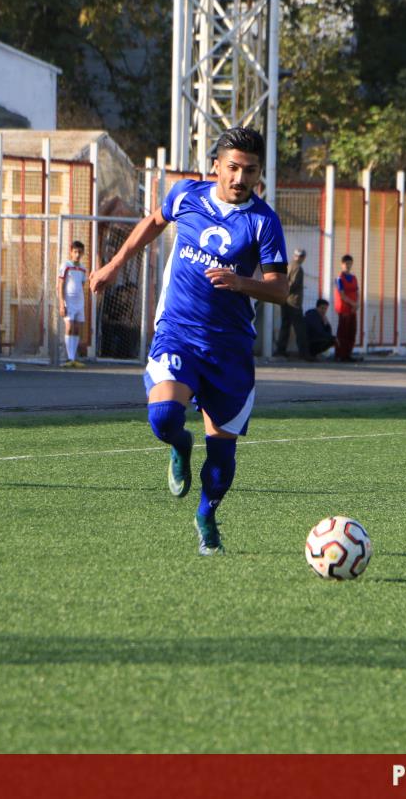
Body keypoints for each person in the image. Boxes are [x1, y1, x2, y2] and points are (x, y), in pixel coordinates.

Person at [89, 127, 288, 556]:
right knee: (163, 417)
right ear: (216, 165)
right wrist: (114, 265)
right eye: (233, 167)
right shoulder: (186, 195)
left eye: (250, 171)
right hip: (177, 332)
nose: (240, 178)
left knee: (222, 457)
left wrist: (241, 282)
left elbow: (279, 289)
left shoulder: (263, 222)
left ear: (259, 174)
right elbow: (153, 222)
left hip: (230, 349)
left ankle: (206, 516)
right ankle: (181, 445)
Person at [275, 248, 310, 359]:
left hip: (284, 300)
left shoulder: (289, 265)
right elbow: (293, 284)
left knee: (285, 326)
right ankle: (304, 353)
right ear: (303, 257)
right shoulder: (298, 268)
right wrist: (285, 291)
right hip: (293, 302)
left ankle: (281, 350)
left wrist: (281, 293)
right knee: (299, 328)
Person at [57, 240, 88, 367]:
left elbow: (82, 285)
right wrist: (61, 303)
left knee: (76, 328)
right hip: (68, 301)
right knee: (69, 327)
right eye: (75, 252)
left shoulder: (83, 268)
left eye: (80, 252)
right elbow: (60, 285)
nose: (77, 255)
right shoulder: (66, 265)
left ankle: (73, 358)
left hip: (79, 302)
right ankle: (69, 358)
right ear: (71, 252)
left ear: (83, 253)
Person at [333, 254, 359, 362]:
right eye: (346, 263)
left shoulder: (354, 278)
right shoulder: (340, 278)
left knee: (351, 332)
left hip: (352, 309)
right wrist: (353, 304)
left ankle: (348, 354)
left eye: (350, 264)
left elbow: (357, 292)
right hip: (344, 309)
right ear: (342, 264)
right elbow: (342, 295)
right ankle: (340, 354)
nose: (348, 266)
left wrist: (356, 304)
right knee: (343, 332)